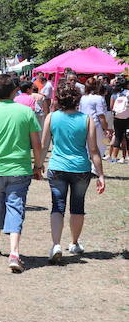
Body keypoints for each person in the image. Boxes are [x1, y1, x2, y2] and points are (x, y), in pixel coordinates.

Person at [0, 74, 44, 273]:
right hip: (20, 168)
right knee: (16, 207)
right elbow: (37, 144)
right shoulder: (25, 112)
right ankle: (14, 252)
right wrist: (38, 165)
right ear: (15, 91)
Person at [42, 83, 106, 263]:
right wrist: (100, 175)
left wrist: (38, 165)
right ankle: (75, 242)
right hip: (80, 168)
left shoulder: (51, 117)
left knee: (57, 206)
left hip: (57, 167)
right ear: (77, 100)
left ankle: (56, 244)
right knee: (77, 207)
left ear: (58, 99)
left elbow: (43, 145)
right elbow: (93, 150)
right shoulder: (86, 119)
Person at [78, 77, 111, 159]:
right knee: (99, 149)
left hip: (83, 124)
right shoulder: (99, 98)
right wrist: (106, 128)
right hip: (96, 125)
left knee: (86, 148)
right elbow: (101, 115)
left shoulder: (83, 98)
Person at [109, 78, 129, 163]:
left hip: (117, 118)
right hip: (127, 118)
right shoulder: (128, 93)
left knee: (117, 136)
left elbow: (111, 107)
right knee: (128, 137)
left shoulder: (115, 94)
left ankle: (114, 157)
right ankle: (128, 157)